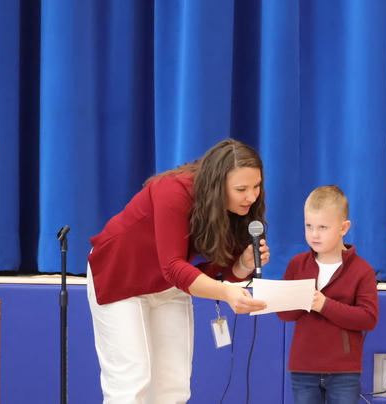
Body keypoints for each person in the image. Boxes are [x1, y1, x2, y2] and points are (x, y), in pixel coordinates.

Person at [86, 138, 270, 403]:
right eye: (241, 189)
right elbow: (173, 266)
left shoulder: (236, 208)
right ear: (217, 185)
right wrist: (228, 294)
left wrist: (243, 264)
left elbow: (222, 271)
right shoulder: (172, 190)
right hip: (121, 275)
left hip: (168, 285)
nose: (252, 197)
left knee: (174, 386)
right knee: (130, 382)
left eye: (256, 186)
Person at [277, 185, 379, 404]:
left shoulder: (362, 270)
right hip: (303, 370)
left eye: (323, 227)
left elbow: (368, 319)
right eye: (309, 226)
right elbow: (285, 315)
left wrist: (324, 305)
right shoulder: (297, 264)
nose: (314, 234)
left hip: (344, 373)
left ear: (344, 227)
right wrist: (284, 300)